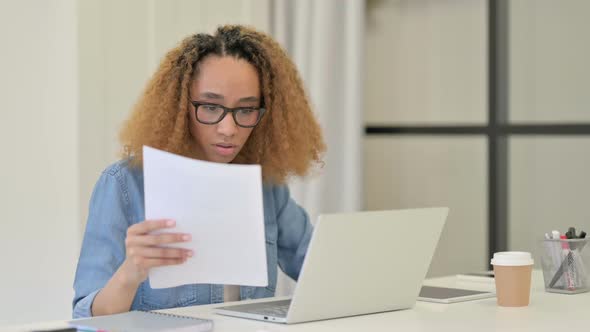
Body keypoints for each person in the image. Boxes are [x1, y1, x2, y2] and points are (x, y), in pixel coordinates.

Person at [72, 25, 325, 318]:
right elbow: (86, 319)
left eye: (246, 110)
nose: (228, 129)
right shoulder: (124, 184)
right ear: (179, 106)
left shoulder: (265, 186)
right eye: (210, 107)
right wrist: (131, 271)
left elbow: (320, 269)